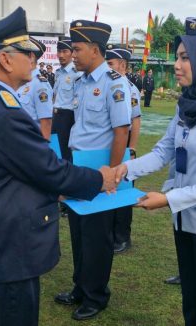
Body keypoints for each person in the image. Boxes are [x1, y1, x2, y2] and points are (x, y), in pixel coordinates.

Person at [0, 7, 117, 326]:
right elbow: (49, 170)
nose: (35, 58)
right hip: (8, 248)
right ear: (5, 59)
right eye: (27, 53)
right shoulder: (3, 111)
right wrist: (99, 178)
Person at [114, 17, 196, 325]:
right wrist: (124, 168)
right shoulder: (188, 104)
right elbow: (164, 150)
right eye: (178, 57)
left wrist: (167, 199)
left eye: (186, 58)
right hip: (184, 223)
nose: (177, 65)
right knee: (191, 303)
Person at [54, 19, 132, 321]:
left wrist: (111, 175)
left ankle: (96, 295)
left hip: (100, 172)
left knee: (97, 236)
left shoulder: (114, 83)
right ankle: (80, 287)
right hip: (77, 166)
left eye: (77, 49)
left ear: (95, 50)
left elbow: (121, 131)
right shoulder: (79, 81)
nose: (73, 54)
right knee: (78, 230)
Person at [105, 44, 142, 254]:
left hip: (124, 144)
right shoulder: (108, 84)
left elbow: (135, 122)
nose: (107, 68)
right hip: (110, 144)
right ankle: (111, 234)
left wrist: (132, 148)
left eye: (110, 64)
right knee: (109, 191)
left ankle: (123, 237)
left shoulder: (129, 88)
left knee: (123, 193)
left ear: (123, 66)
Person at [15, 37, 54, 140]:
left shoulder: (39, 84)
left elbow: (46, 122)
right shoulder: (19, 82)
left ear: (31, 57)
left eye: (18, 54)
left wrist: (43, 151)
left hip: (32, 143)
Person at [52, 37, 81, 163]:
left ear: (72, 53)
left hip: (68, 117)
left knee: (66, 152)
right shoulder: (58, 72)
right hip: (56, 114)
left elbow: (78, 101)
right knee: (55, 150)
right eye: (59, 51)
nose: (61, 55)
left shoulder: (77, 73)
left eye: (65, 51)